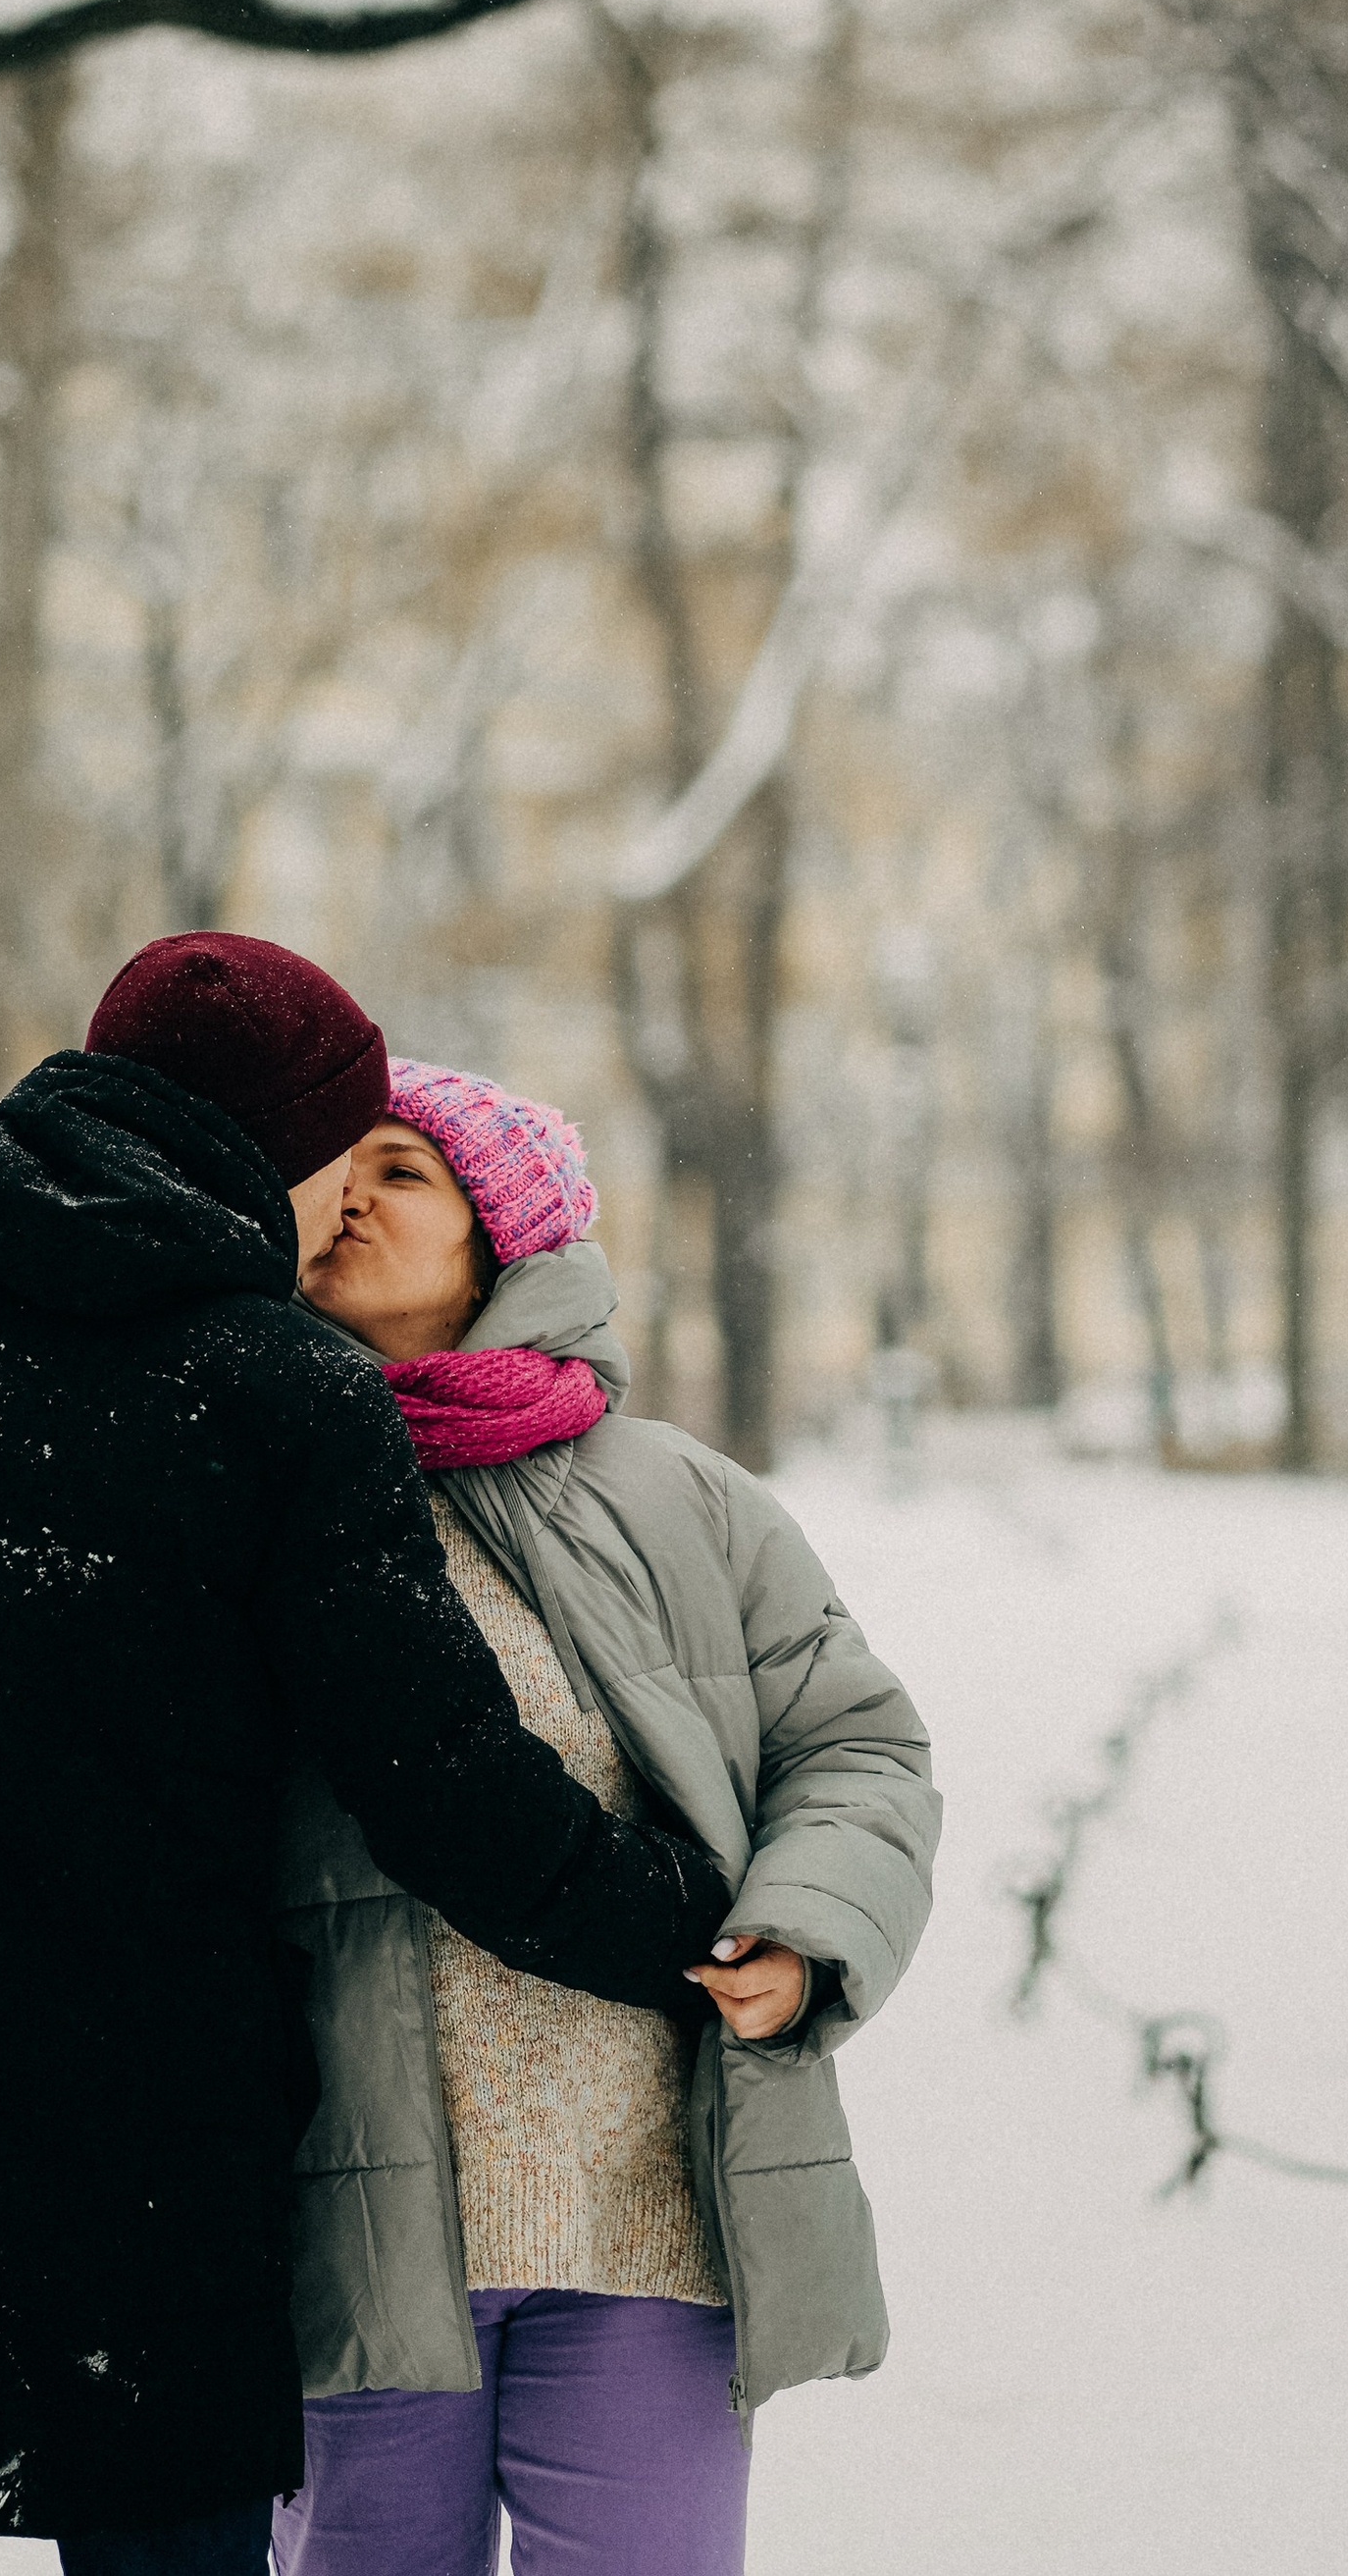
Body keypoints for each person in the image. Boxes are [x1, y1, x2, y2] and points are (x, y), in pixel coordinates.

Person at [0, 936, 737, 2576]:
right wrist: (689, 1917)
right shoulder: (277, 1387)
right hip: (133, 2195)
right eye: (346, 1145)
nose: (347, 1199)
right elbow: (444, 1781)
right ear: (285, 1141)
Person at [273, 1060, 939, 2576]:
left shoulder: (676, 1498)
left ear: (509, 1233)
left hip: (648, 2213)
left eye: (404, 1170)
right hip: (354, 2211)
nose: (353, 1196)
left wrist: (806, 1928)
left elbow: (857, 1747)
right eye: (335, 1171)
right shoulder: (258, 1484)